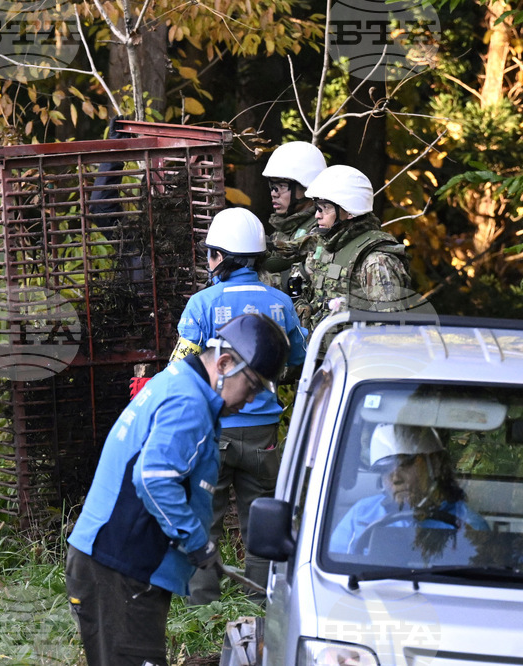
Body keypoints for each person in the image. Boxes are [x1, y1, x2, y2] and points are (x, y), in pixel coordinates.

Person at [66, 313, 290, 666]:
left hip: (117, 564)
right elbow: (154, 479)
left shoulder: (179, 383)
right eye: (252, 387)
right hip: (119, 568)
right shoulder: (188, 402)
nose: (250, 401)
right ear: (226, 363)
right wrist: (197, 542)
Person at [167, 207, 307, 604]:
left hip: (215, 431)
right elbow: (298, 358)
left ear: (222, 257)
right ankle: (261, 599)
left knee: (204, 516)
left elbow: (181, 367)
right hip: (264, 433)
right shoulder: (281, 303)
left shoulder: (202, 303)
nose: (208, 261)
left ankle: (202, 603)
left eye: (211, 253)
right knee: (261, 519)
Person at [330, 424, 489, 554]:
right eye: (385, 470)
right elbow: (335, 572)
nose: (395, 478)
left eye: (404, 465)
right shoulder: (361, 514)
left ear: (434, 464)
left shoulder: (468, 523)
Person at [289, 165, 413, 331]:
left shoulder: (376, 260)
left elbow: (389, 330)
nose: (317, 215)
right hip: (318, 352)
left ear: (349, 212)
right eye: (317, 207)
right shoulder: (326, 247)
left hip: (354, 354)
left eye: (325, 208)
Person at [260, 141, 326, 291]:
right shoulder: (286, 228)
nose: (274, 193)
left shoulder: (321, 226)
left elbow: (274, 265)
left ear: (307, 188)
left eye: (282, 186)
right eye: (272, 186)